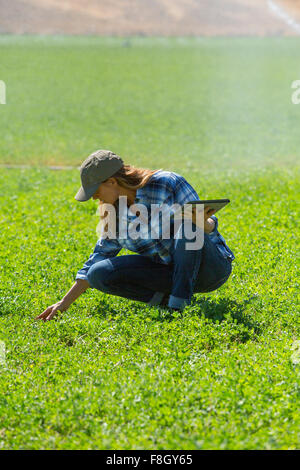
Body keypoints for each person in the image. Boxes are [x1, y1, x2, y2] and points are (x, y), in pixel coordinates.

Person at [35, 149, 235, 322]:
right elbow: (98, 258)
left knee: (188, 226)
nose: (94, 197)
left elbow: (205, 230)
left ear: (112, 182)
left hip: (210, 269)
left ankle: (178, 306)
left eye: (95, 191)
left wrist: (204, 223)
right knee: (99, 272)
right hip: (169, 273)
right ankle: (167, 301)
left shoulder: (167, 183)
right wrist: (64, 302)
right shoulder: (113, 214)